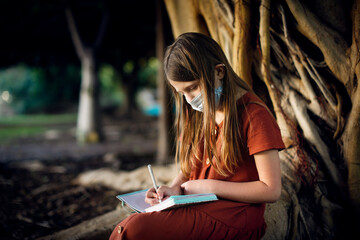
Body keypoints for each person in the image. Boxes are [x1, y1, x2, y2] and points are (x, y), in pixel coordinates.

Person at [110, 32, 285, 240]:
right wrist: (174, 188)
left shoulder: (254, 116)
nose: (188, 99)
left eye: (192, 88)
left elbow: (271, 190)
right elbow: (193, 165)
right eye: (181, 93)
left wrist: (209, 187)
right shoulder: (204, 113)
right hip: (200, 206)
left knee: (133, 231)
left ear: (219, 71)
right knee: (126, 228)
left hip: (235, 217)